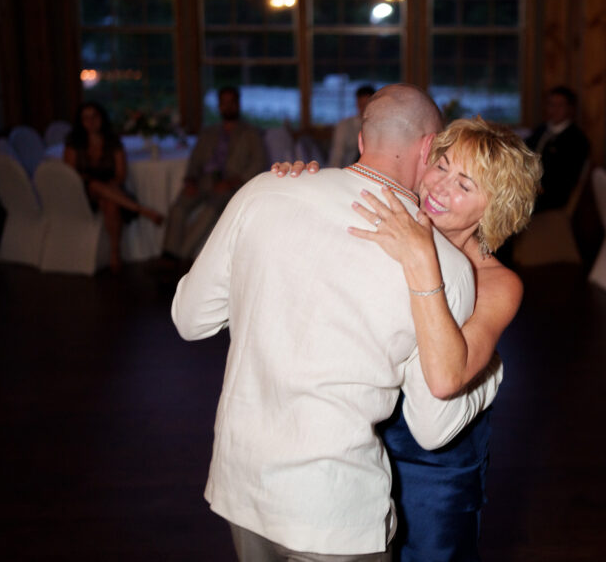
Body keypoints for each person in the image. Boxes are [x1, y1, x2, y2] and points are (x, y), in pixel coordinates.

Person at [171, 84, 501, 561]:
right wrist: (488, 373)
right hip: (333, 508)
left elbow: (188, 319)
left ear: (363, 138)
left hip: (242, 485)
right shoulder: (441, 265)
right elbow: (432, 427)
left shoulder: (264, 190)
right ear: (428, 148)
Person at [276, 116, 542, 560]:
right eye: (441, 166)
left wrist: (420, 259)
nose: (439, 187)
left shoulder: (498, 284)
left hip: (434, 478)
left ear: (494, 209)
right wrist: (296, 185)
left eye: (465, 184)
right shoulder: (392, 223)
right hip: (358, 455)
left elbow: (444, 380)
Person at [162, 86, 266, 262]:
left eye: (232, 102)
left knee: (210, 211)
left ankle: (179, 257)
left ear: (238, 104)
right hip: (204, 181)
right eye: (224, 103)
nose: (228, 107)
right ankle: (169, 254)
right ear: (219, 106)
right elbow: (195, 160)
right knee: (178, 208)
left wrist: (233, 181)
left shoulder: (251, 133)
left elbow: (259, 163)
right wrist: (191, 180)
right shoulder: (208, 132)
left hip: (230, 185)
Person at [63, 101, 164, 272]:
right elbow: (70, 176)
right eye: (86, 118)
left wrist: (111, 186)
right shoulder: (74, 143)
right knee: (94, 185)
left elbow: (120, 175)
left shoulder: (112, 142)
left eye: (94, 117)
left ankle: (114, 253)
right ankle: (140, 210)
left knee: (110, 202)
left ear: (101, 118)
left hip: (110, 190)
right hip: (82, 193)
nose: (90, 122)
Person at [524, 86, 589, 213]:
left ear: (570, 109)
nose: (554, 110)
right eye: (551, 104)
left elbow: (566, 176)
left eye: (560, 105)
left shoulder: (576, 139)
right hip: (529, 185)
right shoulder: (542, 129)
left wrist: (537, 186)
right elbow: (525, 149)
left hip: (551, 194)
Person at [327, 85, 376, 168]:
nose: (364, 108)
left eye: (367, 105)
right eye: (361, 105)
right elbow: (337, 155)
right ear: (357, 103)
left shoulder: (379, 127)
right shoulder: (344, 126)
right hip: (347, 170)